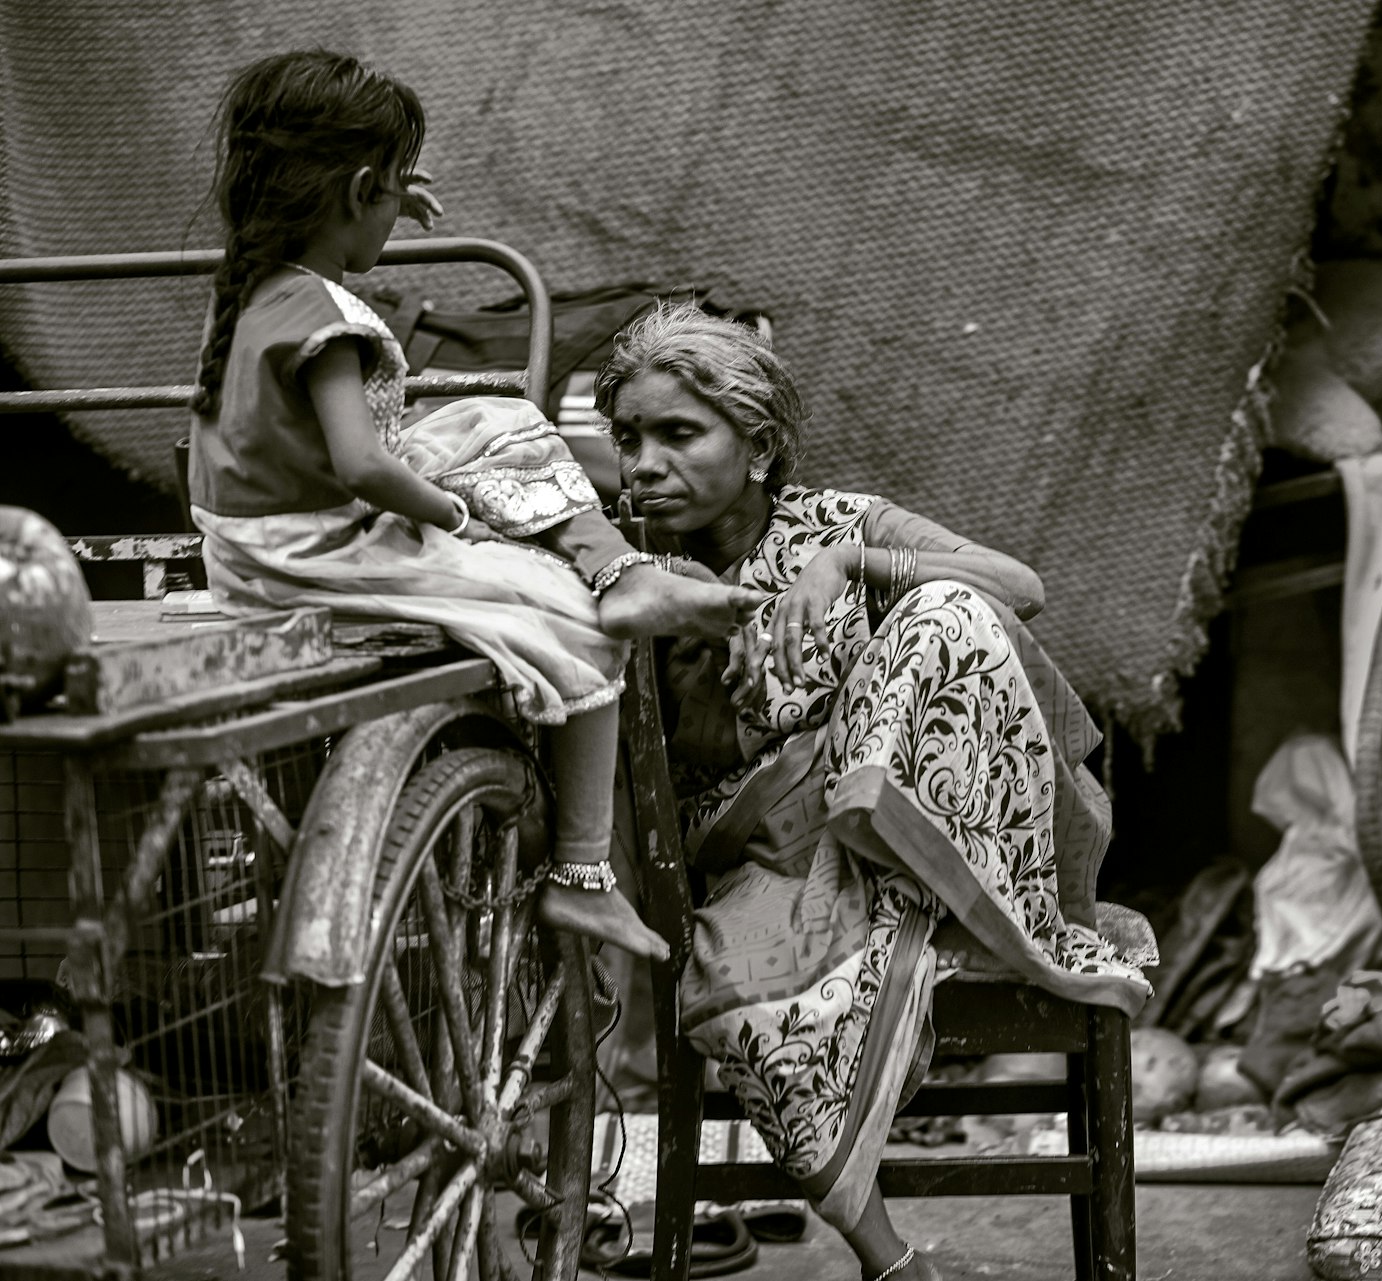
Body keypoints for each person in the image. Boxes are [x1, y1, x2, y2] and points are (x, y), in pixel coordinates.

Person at [597, 301, 1150, 1281]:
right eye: (629, 437)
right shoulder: (633, 572)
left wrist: (851, 564)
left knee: (946, 610)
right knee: (744, 1005)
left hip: (913, 824)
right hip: (766, 867)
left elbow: (1018, 586)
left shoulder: (835, 526)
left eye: (678, 434)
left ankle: (918, 848)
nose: (644, 461)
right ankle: (894, 1263)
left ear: (760, 449)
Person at [184, 49, 761, 959]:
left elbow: (339, 452)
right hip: (319, 552)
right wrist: (451, 516)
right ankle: (584, 872)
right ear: (359, 187)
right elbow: (364, 466)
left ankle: (621, 566)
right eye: (391, 192)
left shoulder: (260, 287)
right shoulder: (322, 317)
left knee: (498, 417)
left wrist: (377, 203)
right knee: (572, 622)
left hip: (264, 542)